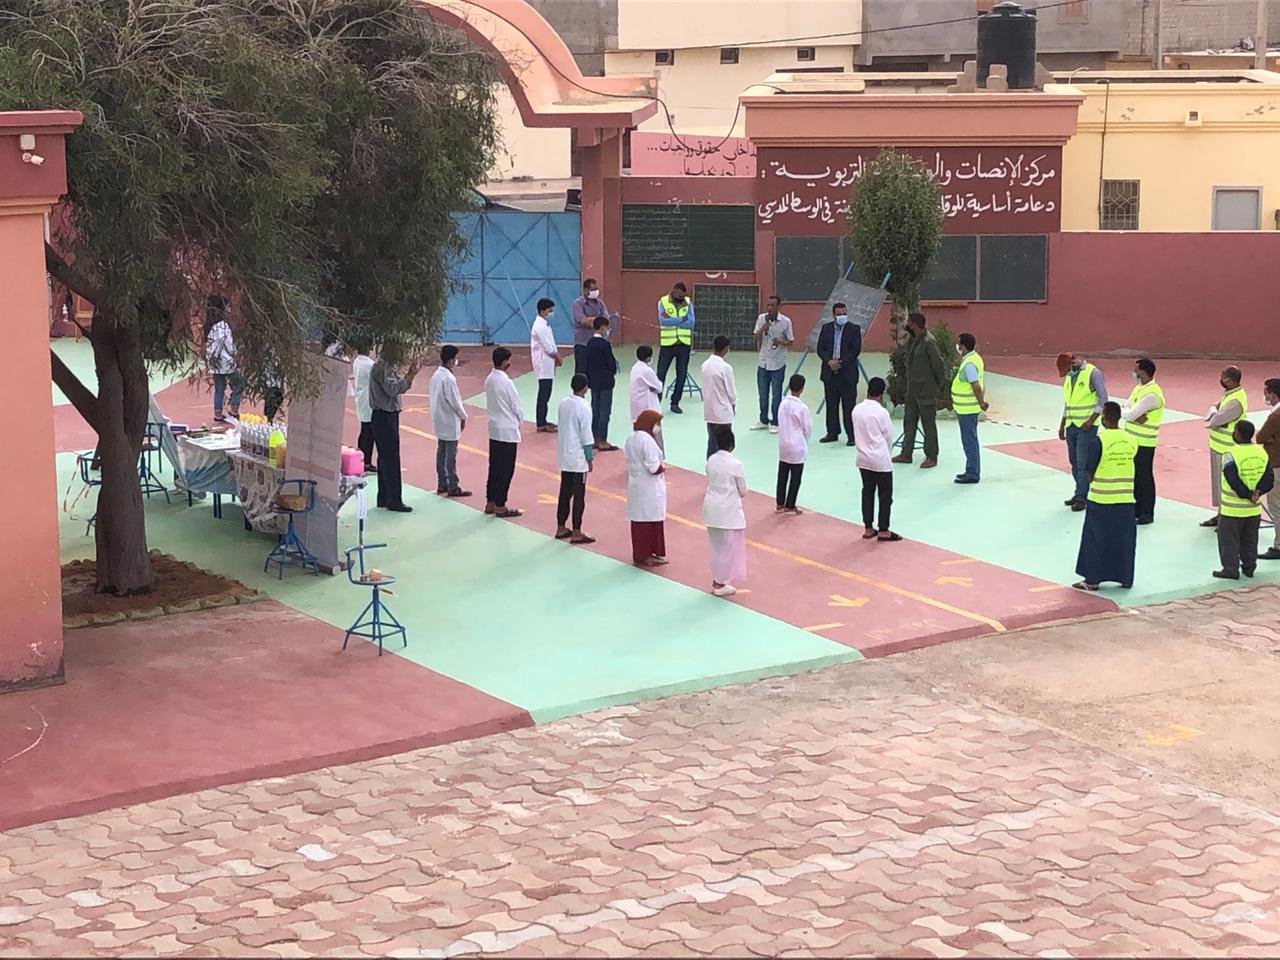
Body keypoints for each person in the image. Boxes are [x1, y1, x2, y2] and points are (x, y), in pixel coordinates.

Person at [1073, 402, 1138, 592]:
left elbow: (1089, 471)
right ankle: (1125, 578)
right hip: (1126, 498)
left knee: (1095, 540)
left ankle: (1092, 580)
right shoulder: (1131, 440)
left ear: (1104, 419)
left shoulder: (1098, 441)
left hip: (1101, 498)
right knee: (1124, 539)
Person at [1214, 419, 1274, 580]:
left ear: (1239, 434)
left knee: (1229, 540)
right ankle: (1249, 567)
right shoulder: (1261, 452)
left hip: (1232, 509)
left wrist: (1247, 494)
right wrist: (1258, 492)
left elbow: (1232, 479)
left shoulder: (1230, 454)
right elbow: (1269, 478)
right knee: (1250, 539)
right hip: (1253, 508)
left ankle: (1230, 569)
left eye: (1235, 431)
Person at [369, 342, 422, 513]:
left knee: (384, 458)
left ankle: (384, 496)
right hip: (385, 415)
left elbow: (397, 386)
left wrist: (407, 377)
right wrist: (410, 376)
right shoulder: (383, 367)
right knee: (391, 458)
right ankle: (394, 499)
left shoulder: (385, 367)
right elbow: (393, 389)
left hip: (384, 415)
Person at [892, 312, 947, 469]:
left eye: (909, 322)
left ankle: (931, 456)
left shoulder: (929, 342)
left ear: (915, 324)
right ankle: (906, 453)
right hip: (913, 389)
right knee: (909, 420)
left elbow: (938, 365)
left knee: (928, 424)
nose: (907, 324)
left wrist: (938, 386)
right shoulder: (913, 339)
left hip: (926, 390)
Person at [1058, 351, 1109, 512]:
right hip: (1072, 425)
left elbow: (1103, 399)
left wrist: (1091, 420)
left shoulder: (1093, 373)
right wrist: (1062, 424)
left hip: (1087, 426)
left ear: (1073, 362)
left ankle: (1082, 497)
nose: (1066, 373)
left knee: (1083, 463)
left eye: (1067, 369)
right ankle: (1079, 491)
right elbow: (1068, 403)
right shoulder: (1069, 377)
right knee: (1073, 461)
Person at [853, 377, 900, 542]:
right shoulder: (881, 413)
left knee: (867, 491)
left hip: (862, 457)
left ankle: (868, 527)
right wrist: (887, 453)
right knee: (885, 494)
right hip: (880, 459)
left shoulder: (857, 410)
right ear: (881, 394)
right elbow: (888, 436)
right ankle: (884, 529)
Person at [1202, 365, 1249, 529]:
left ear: (1229, 380)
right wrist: (1215, 410)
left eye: (1223, 376)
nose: (1221, 379)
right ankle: (1221, 515)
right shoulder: (1230, 394)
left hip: (1226, 449)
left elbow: (1216, 419)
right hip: (1218, 447)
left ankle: (1227, 519)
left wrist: (1214, 412)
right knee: (1219, 484)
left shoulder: (1236, 400)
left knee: (1226, 484)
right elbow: (1216, 410)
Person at [703, 426, 747, 597]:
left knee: (716, 546)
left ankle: (718, 579)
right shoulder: (736, 464)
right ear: (732, 444)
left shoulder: (711, 460)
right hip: (728, 511)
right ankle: (720, 583)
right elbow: (743, 490)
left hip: (711, 507)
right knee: (727, 548)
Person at [1120, 357, 1164, 525]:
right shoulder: (1140, 388)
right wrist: (1131, 413)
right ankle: (1138, 508)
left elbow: (1129, 413)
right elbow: (1127, 408)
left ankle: (1147, 512)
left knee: (1144, 478)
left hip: (1145, 442)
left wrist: (1129, 413)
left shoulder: (1152, 394)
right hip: (1133, 440)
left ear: (1143, 373)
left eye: (1136, 370)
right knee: (1135, 477)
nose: (1134, 373)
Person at [555, 374, 596, 545]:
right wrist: (589, 457)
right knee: (579, 495)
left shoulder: (564, 403)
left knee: (564, 491)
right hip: (578, 457)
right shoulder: (584, 406)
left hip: (564, 454)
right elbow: (586, 434)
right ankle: (577, 531)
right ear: (585, 388)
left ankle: (561, 526)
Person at [625, 409, 668, 567]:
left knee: (639, 521)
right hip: (649, 486)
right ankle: (646, 555)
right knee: (649, 521)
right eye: (657, 424)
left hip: (636, 484)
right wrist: (662, 468)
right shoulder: (647, 441)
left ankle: (643, 553)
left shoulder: (631, 438)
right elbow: (653, 467)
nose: (658, 427)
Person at [484, 347, 524, 519]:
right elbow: (516, 406)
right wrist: (520, 421)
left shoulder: (489, 379)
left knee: (494, 467)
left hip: (494, 429)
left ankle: (490, 501)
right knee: (506, 469)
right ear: (504, 362)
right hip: (507, 430)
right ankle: (501, 505)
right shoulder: (507, 383)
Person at [816, 302, 861, 445]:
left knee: (849, 406)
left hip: (847, 374)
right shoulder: (826, 328)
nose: (842, 316)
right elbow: (820, 348)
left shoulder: (854, 329)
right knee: (831, 405)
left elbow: (855, 350)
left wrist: (840, 363)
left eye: (844, 314)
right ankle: (832, 433)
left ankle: (852, 436)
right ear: (833, 315)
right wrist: (829, 361)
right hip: (829, 373)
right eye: (839, 314)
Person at [428, 345, 470, 498]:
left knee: (441, 451)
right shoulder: (449, 379)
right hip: (449, 419)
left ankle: (442, 483)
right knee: (450, 454)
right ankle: (453, 485)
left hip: (439, 418)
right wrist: (463, 416)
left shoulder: (436, 376)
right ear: (451, 360)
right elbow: (455, 401)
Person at [751, 295, 794, 433]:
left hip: (778, 364)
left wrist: (780, 342)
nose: (769, 308)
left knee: (776, 395)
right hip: (763, 363)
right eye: (768, 305)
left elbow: (791, 341)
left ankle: (776, 421)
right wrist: (762, 329)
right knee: (763, 394)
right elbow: (755, 339)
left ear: (778, 307)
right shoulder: (761, 319)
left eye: (772, 305)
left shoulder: (786, 322)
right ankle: (763, 420)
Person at [951, 333, 988, 485]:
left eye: (959, 344)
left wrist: (981, 403)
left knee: (969, 441)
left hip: (967, 409)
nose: (957, 347)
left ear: (964, 347)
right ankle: (970, 469)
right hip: (967, 409)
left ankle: (972, 473)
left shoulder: (969, 364)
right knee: (970, 440)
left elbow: (976, 386)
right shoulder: (974, 359)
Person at [655, 282, 695, 414]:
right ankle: (656, 402)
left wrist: (673, 320)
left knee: (681, 375)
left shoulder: (688, 303)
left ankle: (675, 403)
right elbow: (663, 321)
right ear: (673, 291)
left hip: (684, 344)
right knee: (660, 374)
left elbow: (691, 323)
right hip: (668, 344)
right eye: (679, 295)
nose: (681, 298)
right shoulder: (663, 302)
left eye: (683, 296)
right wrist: (681, 319)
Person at [582, 316, 619, 451]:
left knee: (595, 409)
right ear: (603, 327)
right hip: (606, 382)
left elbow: (586, 363)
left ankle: (594, 438)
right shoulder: (605, 345)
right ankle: (603, 440)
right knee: (605, 412)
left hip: (594, 382)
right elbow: (611, 364)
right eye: (607, 327)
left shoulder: (589, 343)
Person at [776, 374, 812, 514]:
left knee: (782, 474)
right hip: (797, 444)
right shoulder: (802, 408)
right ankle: (790, 505)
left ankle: (780, 503)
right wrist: (806, 440)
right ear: (802, 389)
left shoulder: (783, 403)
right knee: (795, 477)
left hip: (783, 443)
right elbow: (807, 427)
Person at [204, 295, 242, 421]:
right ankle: (234, 409)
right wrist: (235, 353)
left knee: (219, 388)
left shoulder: (208, 325)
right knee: (239, 384)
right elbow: (228, 344)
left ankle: (218, 413)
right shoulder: (222, 326)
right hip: (226, 361)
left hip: (214, 362)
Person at [701, 335, 737, 459]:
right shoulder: (725, 368)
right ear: (726, 348)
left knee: (712, 443)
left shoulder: (705, 365)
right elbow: (731, 392)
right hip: (722, 413)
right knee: (724, 447)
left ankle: (711, 466)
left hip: (710, 411)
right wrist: (733, 405)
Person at [529, 298, 561, 433]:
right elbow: (547, 347)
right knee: (544, 392)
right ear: (543, 310)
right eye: (550, 310)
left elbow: (551, 342)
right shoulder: (539, 326)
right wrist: (556, 356)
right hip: (543, 362)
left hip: (548, 362)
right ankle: (541, 422)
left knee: (546, 392)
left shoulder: (545, 324)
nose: (551, 312)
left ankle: (543, 419)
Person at [571, 278, 615, 375]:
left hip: (597, 344)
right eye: (593, 289)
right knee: (581, 371)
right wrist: (598, 319)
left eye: (596, 289)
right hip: (583, 344)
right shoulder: (577, 304)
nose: (595, 291)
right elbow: (583, 321)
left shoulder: (600, 303)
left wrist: (591, 320)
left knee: (596, 371)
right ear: (585, 290)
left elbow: (606, 319)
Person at [1258, 378, 1280, 561]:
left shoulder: (1275, 416)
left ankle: (1279, 546)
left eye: (1266, 392)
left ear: (1273, 394)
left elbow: (1260, 437)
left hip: (1277, 465)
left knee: (1276, 507)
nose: (1265, 396)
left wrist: (1271, 439)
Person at [350, 339, 376, 474]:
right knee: (369, 432)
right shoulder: (369, 364)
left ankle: (361, 459)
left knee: (364, 430)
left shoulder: (357, 361)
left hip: (361, 398)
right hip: (368, 399)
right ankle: (366, 462)